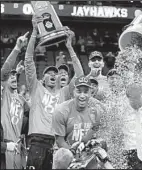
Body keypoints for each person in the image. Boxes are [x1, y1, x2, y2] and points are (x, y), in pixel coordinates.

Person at [24, 15, 84, 170]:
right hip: (37, 141)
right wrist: (34, 32)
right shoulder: (36, 88)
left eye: (55, 73)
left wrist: (69, 46)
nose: (52, 75)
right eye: (48, 73)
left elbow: (79, 75)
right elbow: (28, 59)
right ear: (42, 78)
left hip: (57, 143)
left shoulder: (64, 92)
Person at [52, 75, 112, 168]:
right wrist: (75, 156)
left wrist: (98, 144)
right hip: (66, 154)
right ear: (73, 92)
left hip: (88, 154)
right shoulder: (61, 110)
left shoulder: (97, 110)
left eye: (86, 92)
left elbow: (100, 136)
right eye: (79, 91)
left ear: (90, 93)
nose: (82, 96)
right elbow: (60, 141)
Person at [1, 32, 29, 169]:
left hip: (19, 146)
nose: (13, 78)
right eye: (10, 76)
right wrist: (17, 48)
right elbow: (5, 73)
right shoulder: (3, 93)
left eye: (15, 76)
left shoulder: (21, 99)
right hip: (5, 146)